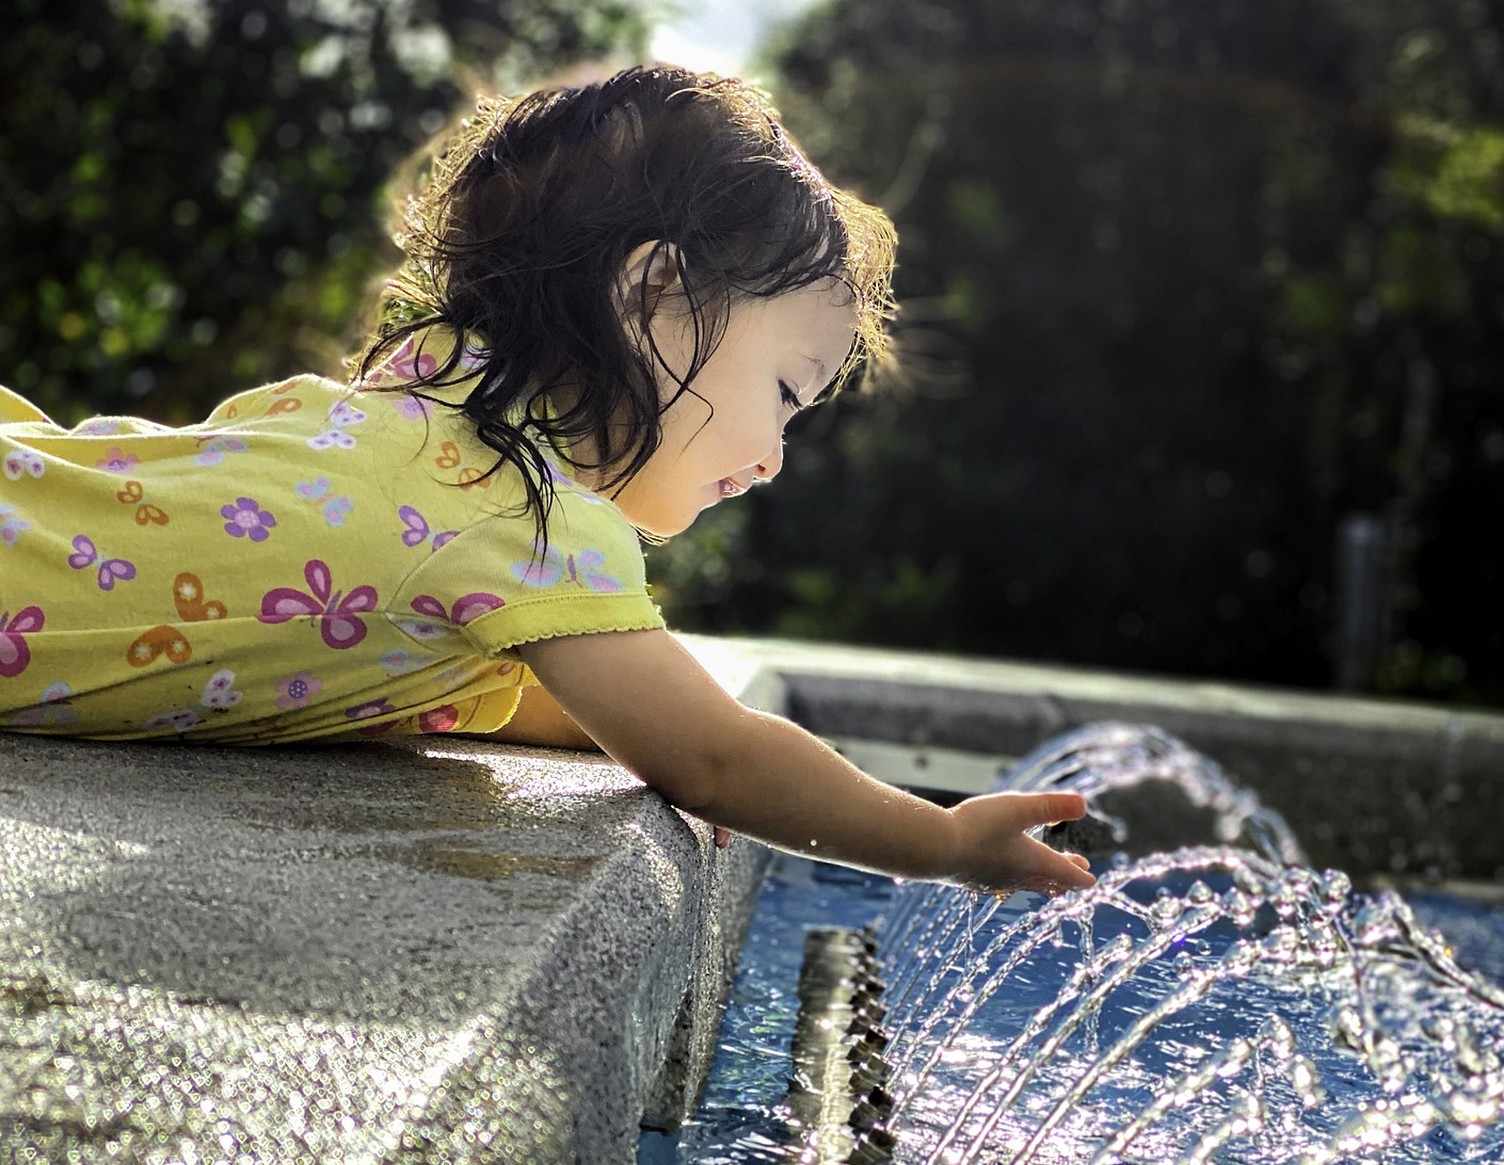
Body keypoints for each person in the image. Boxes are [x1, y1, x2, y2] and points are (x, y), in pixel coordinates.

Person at [0, 65, 1094, 898]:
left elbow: (531, 696)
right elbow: (713, 758)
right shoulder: (522, 512)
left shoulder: (417, 416)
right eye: (785, 392)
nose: (772, 455)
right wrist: (941, 841)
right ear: (653, 293)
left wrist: (641, 720)